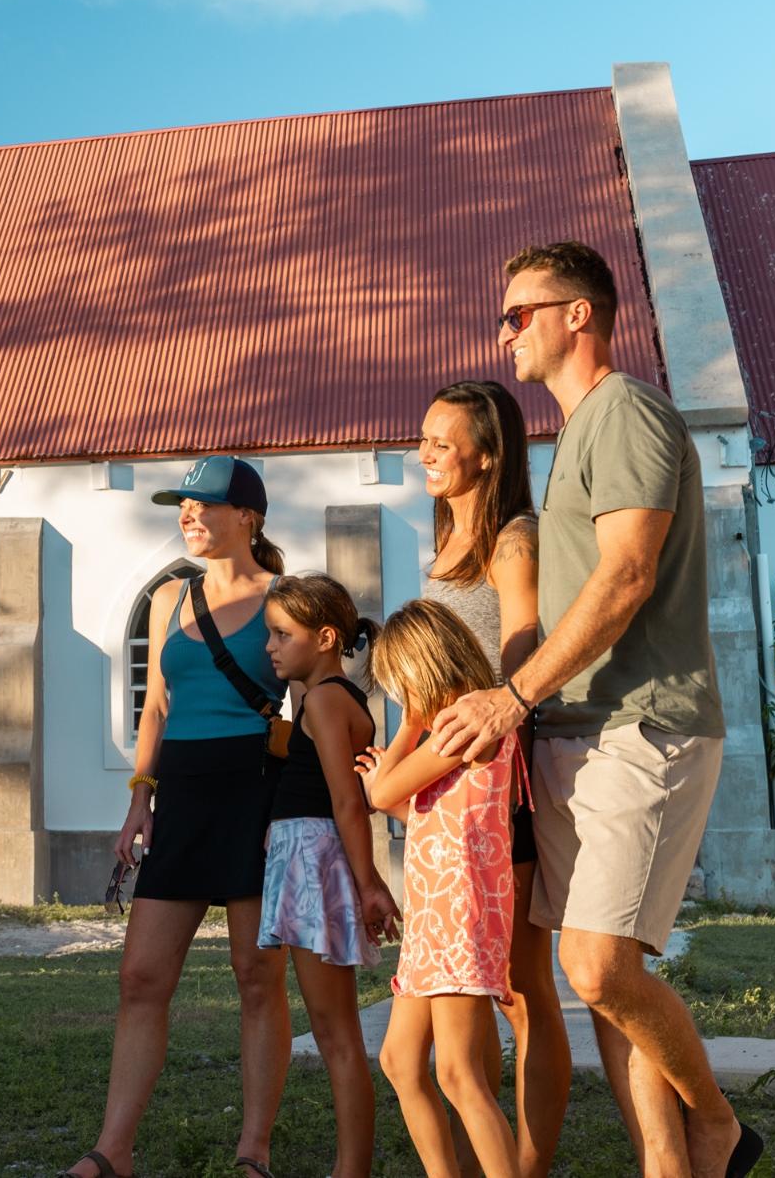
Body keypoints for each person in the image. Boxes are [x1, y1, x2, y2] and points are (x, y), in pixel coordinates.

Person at [429, 242, 762, 1178]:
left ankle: (718, 1125)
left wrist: (512, 696)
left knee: (596, 967)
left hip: (641, 723)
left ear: (577, 313)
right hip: (575, 734)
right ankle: (669, 1162)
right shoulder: (579, 431)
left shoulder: (626, 411)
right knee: (612, 986)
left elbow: (626, 576)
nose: (506, 333)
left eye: (518, 313)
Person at [60, 455, 293, 1178]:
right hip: (182, 797)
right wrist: (140, 798)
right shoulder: (170, 597)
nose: (188, 514)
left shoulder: (285, 598)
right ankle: (113, 1151)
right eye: (181, 505)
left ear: (247, 516)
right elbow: (156, 707)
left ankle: (254, 1152)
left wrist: (294, 813)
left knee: (256, 976)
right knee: (140, 977)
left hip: (257, 793)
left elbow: (316, 704)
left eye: (203, 503)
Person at [420, 379, 571, 1178]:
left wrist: (508, 783)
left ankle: (528, 1165)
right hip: (445, 794)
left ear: (487, 454)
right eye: (424, 438)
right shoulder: (446, 541)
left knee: (520, 985)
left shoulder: (513, 540)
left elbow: (521, 664)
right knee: (473, 984)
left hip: (498, 791)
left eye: (442, 442)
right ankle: (491, 1158)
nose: (425, 453)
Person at [361, 600, 526, 1178]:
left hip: (458, 915)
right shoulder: (459, 729)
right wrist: (390, 776)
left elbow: (383, 796)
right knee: (400, 1060)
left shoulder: (461, 726)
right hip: (436, 916)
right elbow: (428, 816)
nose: (402, 700)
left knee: (458, 1073)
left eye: (402, 686)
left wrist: (407, 729)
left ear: (423, 670)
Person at [257, 574, 398, 1178]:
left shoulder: (323, 700)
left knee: (336, 1034)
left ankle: (352, 1169)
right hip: (306, 857)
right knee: (332, 1029)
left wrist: (369, 885)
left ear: (326, 638)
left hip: (315, 860)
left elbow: (347, 802)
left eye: (282, 635)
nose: (270, 646)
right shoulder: (326, 696)